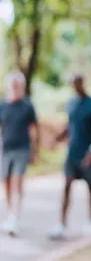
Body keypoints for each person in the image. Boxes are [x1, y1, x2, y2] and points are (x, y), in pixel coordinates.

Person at [49, 74, 91, 240]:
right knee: (66, 185)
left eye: (77, 83)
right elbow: (69, 125)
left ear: (82, 83)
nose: (75, 86)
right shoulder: (71, 103)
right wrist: (56, 139)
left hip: (88, 153)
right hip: (72, 152)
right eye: (72, 84)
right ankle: (62, 223)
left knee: (90, 187)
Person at [0, 70, 40, 236]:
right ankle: (10, 213)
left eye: (18, 85)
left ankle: (15, 217)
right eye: (13, 85)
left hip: (22, 149)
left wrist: (35, 150)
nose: (15, 88)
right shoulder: (2, 105)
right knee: (7, 183)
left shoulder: (27, 106)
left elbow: (35, 128)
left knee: (17, 182)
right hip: (5, 149)